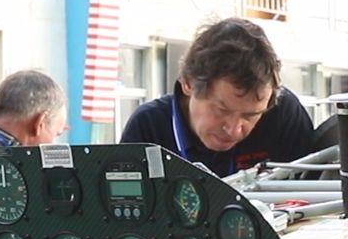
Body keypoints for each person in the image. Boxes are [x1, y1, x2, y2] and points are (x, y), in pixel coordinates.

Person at [120, 17, 314, 176]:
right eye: (222, 110)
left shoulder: (284, 114)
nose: (234, 130)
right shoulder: (148, 129)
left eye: (250, 116)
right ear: (188, 83)